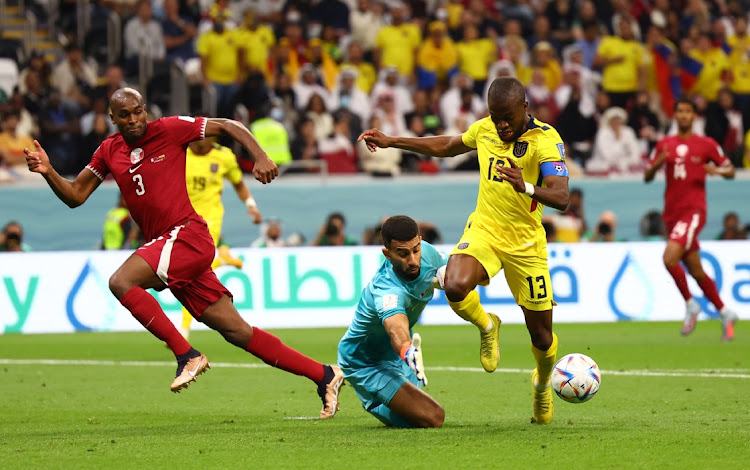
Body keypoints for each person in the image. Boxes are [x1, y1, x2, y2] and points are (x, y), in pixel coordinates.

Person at [24, 87, 344, 419]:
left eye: (138, 111)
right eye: (124, 115)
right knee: (237, 331)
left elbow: (228, 125)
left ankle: (186, 355)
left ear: (145, 110)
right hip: (168, 248)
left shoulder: (170, 129)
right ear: (112, 118)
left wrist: (260, 155)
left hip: (187, 235)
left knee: (121, 281)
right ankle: (324, 375)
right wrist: (48, 171)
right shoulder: (108, 150)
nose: (133, 120)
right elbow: (75, 195)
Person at [359, 76, 570, 425]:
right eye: (494, 115)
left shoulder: (545, 140)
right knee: (454, 284)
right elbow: (446, 146)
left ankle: (543, 382)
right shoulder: (485, 129)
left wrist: (526, 185)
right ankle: (488, 326)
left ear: (525, 108)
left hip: (526, 244)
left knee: (542, 336)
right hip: (485, 230)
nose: (501, 124)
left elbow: (561, 196)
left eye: (508, 117)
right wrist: (392, 140)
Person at [337, 215, 446, 428]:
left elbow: (465, 272)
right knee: (433, 417)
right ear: (387, 254)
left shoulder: (429, 254)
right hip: (365, 362)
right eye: (403, 254)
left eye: (416, 249)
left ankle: (391, 395)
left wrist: (451, 273)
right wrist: (407, 350)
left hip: (396, 359)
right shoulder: (386, 290)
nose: (413, 260)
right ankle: (373, 400)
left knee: (418, 414)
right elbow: (395, 328)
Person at [644, 98, 738, 341]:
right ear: (675, 115)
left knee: (669, 258)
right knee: (696, 269)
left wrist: (717, 171)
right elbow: (646, 175)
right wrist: (657, 165)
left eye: (688, 112)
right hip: (672, 214)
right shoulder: (665, 144)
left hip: (694, 211)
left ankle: (690, 303)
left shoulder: (706, 144)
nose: (684, 115)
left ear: (694, 116)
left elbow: (731, 170)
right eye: (680, 111)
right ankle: (724, 311)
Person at [178, 127, 263, 341]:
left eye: (210, 136)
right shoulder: (179, 154)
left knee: (193, 271)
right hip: (181, 217)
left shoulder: (224, 156)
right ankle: (222, 259)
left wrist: (251, 205)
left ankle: (183, 331)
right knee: (186, 272)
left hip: (209, 221)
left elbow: (238, 183)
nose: (205, 141)